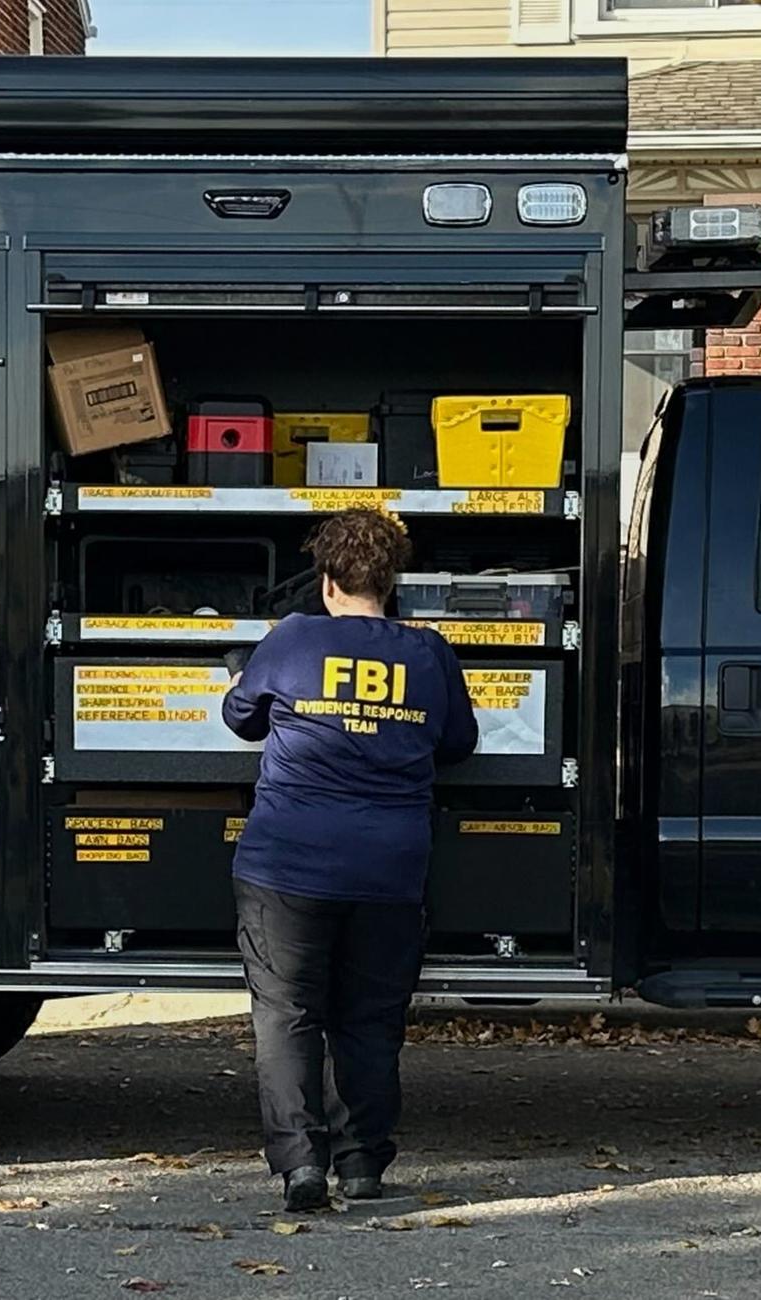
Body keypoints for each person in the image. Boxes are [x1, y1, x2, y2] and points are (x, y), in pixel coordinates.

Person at [221, 508, 477, 1213]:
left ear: (328, 581)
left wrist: (253, 675)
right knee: (369, 1020)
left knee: (288, 1014)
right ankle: (362, 1166)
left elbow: (239, 716)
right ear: (390, 583)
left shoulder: (293, 638)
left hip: (287, 866)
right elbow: (458, 743)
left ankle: (301, 1167)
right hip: (389, 871)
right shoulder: (428, 652)